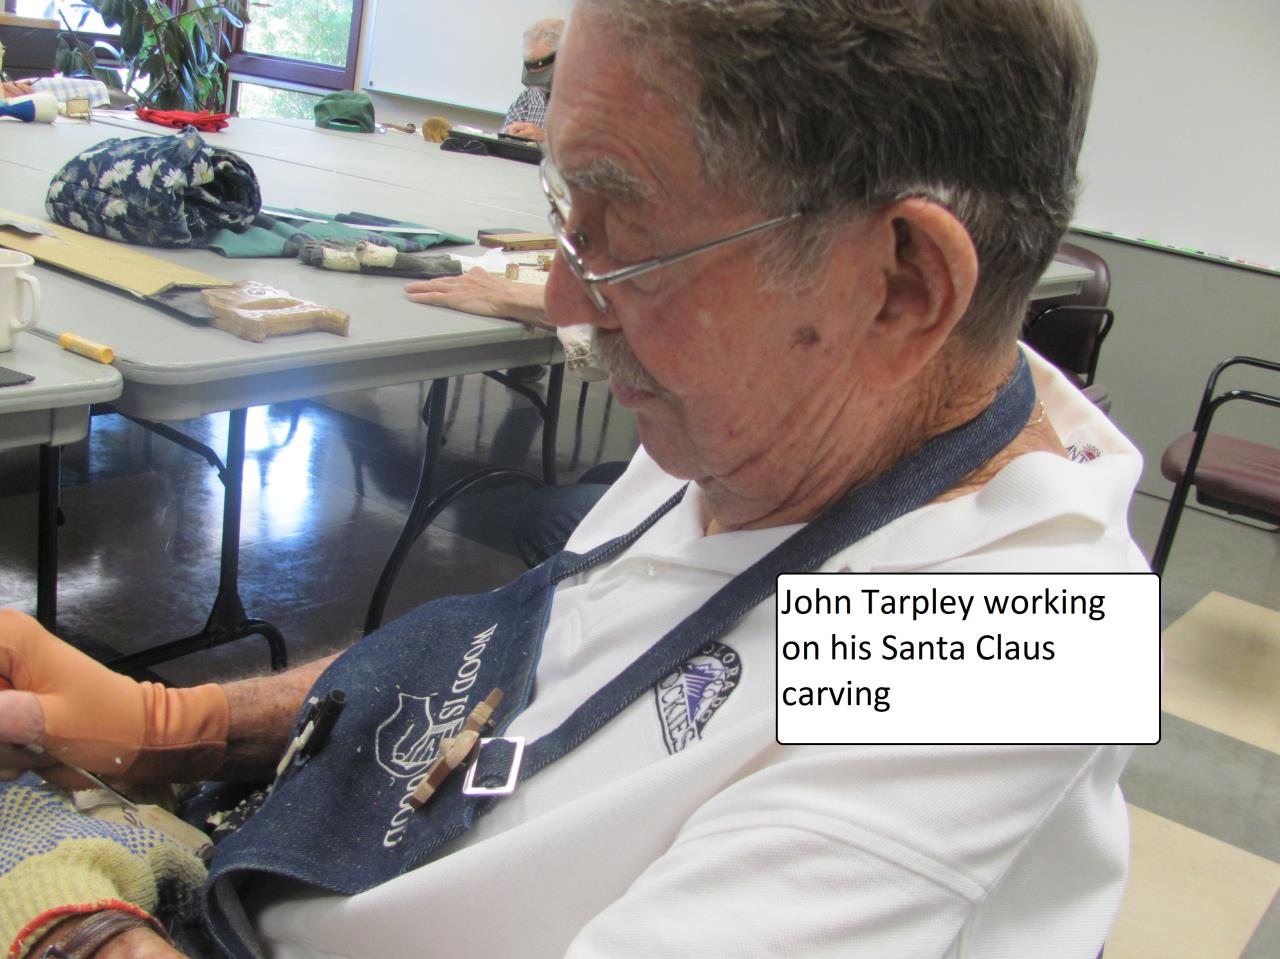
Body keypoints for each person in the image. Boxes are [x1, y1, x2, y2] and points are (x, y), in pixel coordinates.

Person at [0, 2, 1149, 957]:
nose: (561, 299)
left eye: (622, 239)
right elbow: (524, 671)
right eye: (563, 214)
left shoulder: (1015, 631)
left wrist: (67, 922)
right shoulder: (791, 415)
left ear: (899, 285)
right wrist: (174, 723)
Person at [501, 17, 564, 142]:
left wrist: (547, 140)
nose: (535, 80)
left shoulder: (590, 103)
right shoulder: (529, 96)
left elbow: (595, 154)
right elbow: (505, 135)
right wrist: (508, 134)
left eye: (541, 68)